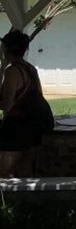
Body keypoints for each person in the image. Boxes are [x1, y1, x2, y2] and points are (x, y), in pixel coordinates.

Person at [0, 29, 54, 176]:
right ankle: (25, 199)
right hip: (35, 125)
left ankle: (6, 198)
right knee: (26, 169)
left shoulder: (12, 72)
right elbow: (39, 94)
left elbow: (7, 105)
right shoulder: (31, 69)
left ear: (7, 49)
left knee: (4, 171)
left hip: (17, 127)